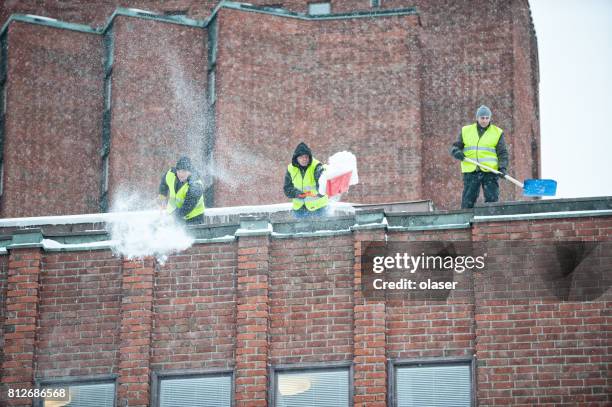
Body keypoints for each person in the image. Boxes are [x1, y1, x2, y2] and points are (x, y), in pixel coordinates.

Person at [450, 105, 509, 209]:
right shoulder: (466, 130)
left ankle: (491, 221)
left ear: (490, 118)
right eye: (482, 118)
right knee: (468, 200)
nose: (484, 120)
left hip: (490, 172)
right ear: (477, 118)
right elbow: (456, 146)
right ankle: (467, 220)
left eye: (487, 118)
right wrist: (456, 152)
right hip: (471, 171)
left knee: (492, 200)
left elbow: (502, 153)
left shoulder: (497, 132)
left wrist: (502, 167)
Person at [284, 142, 329, 218]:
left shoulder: (317, 166)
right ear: (296, 158)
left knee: (321, 229)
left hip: (318, 208)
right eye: (301, 157)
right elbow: (287, 189)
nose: (304, 159)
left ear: (309, 157)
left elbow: (322, 183)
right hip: (299, 210)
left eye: (306, 157)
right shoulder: (290, 168)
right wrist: (296, 193)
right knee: (300, 229)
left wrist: (320, 187)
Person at [158, 156, 205, 224]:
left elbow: (187, 207)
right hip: (173, 215)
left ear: (190, 171)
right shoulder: (171, 174)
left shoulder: (196, 185)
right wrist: (162, 197)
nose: (181, 174)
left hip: (194, 219)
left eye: (184, 171)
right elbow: (163, 184)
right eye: (179, 171)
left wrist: (171, 218)